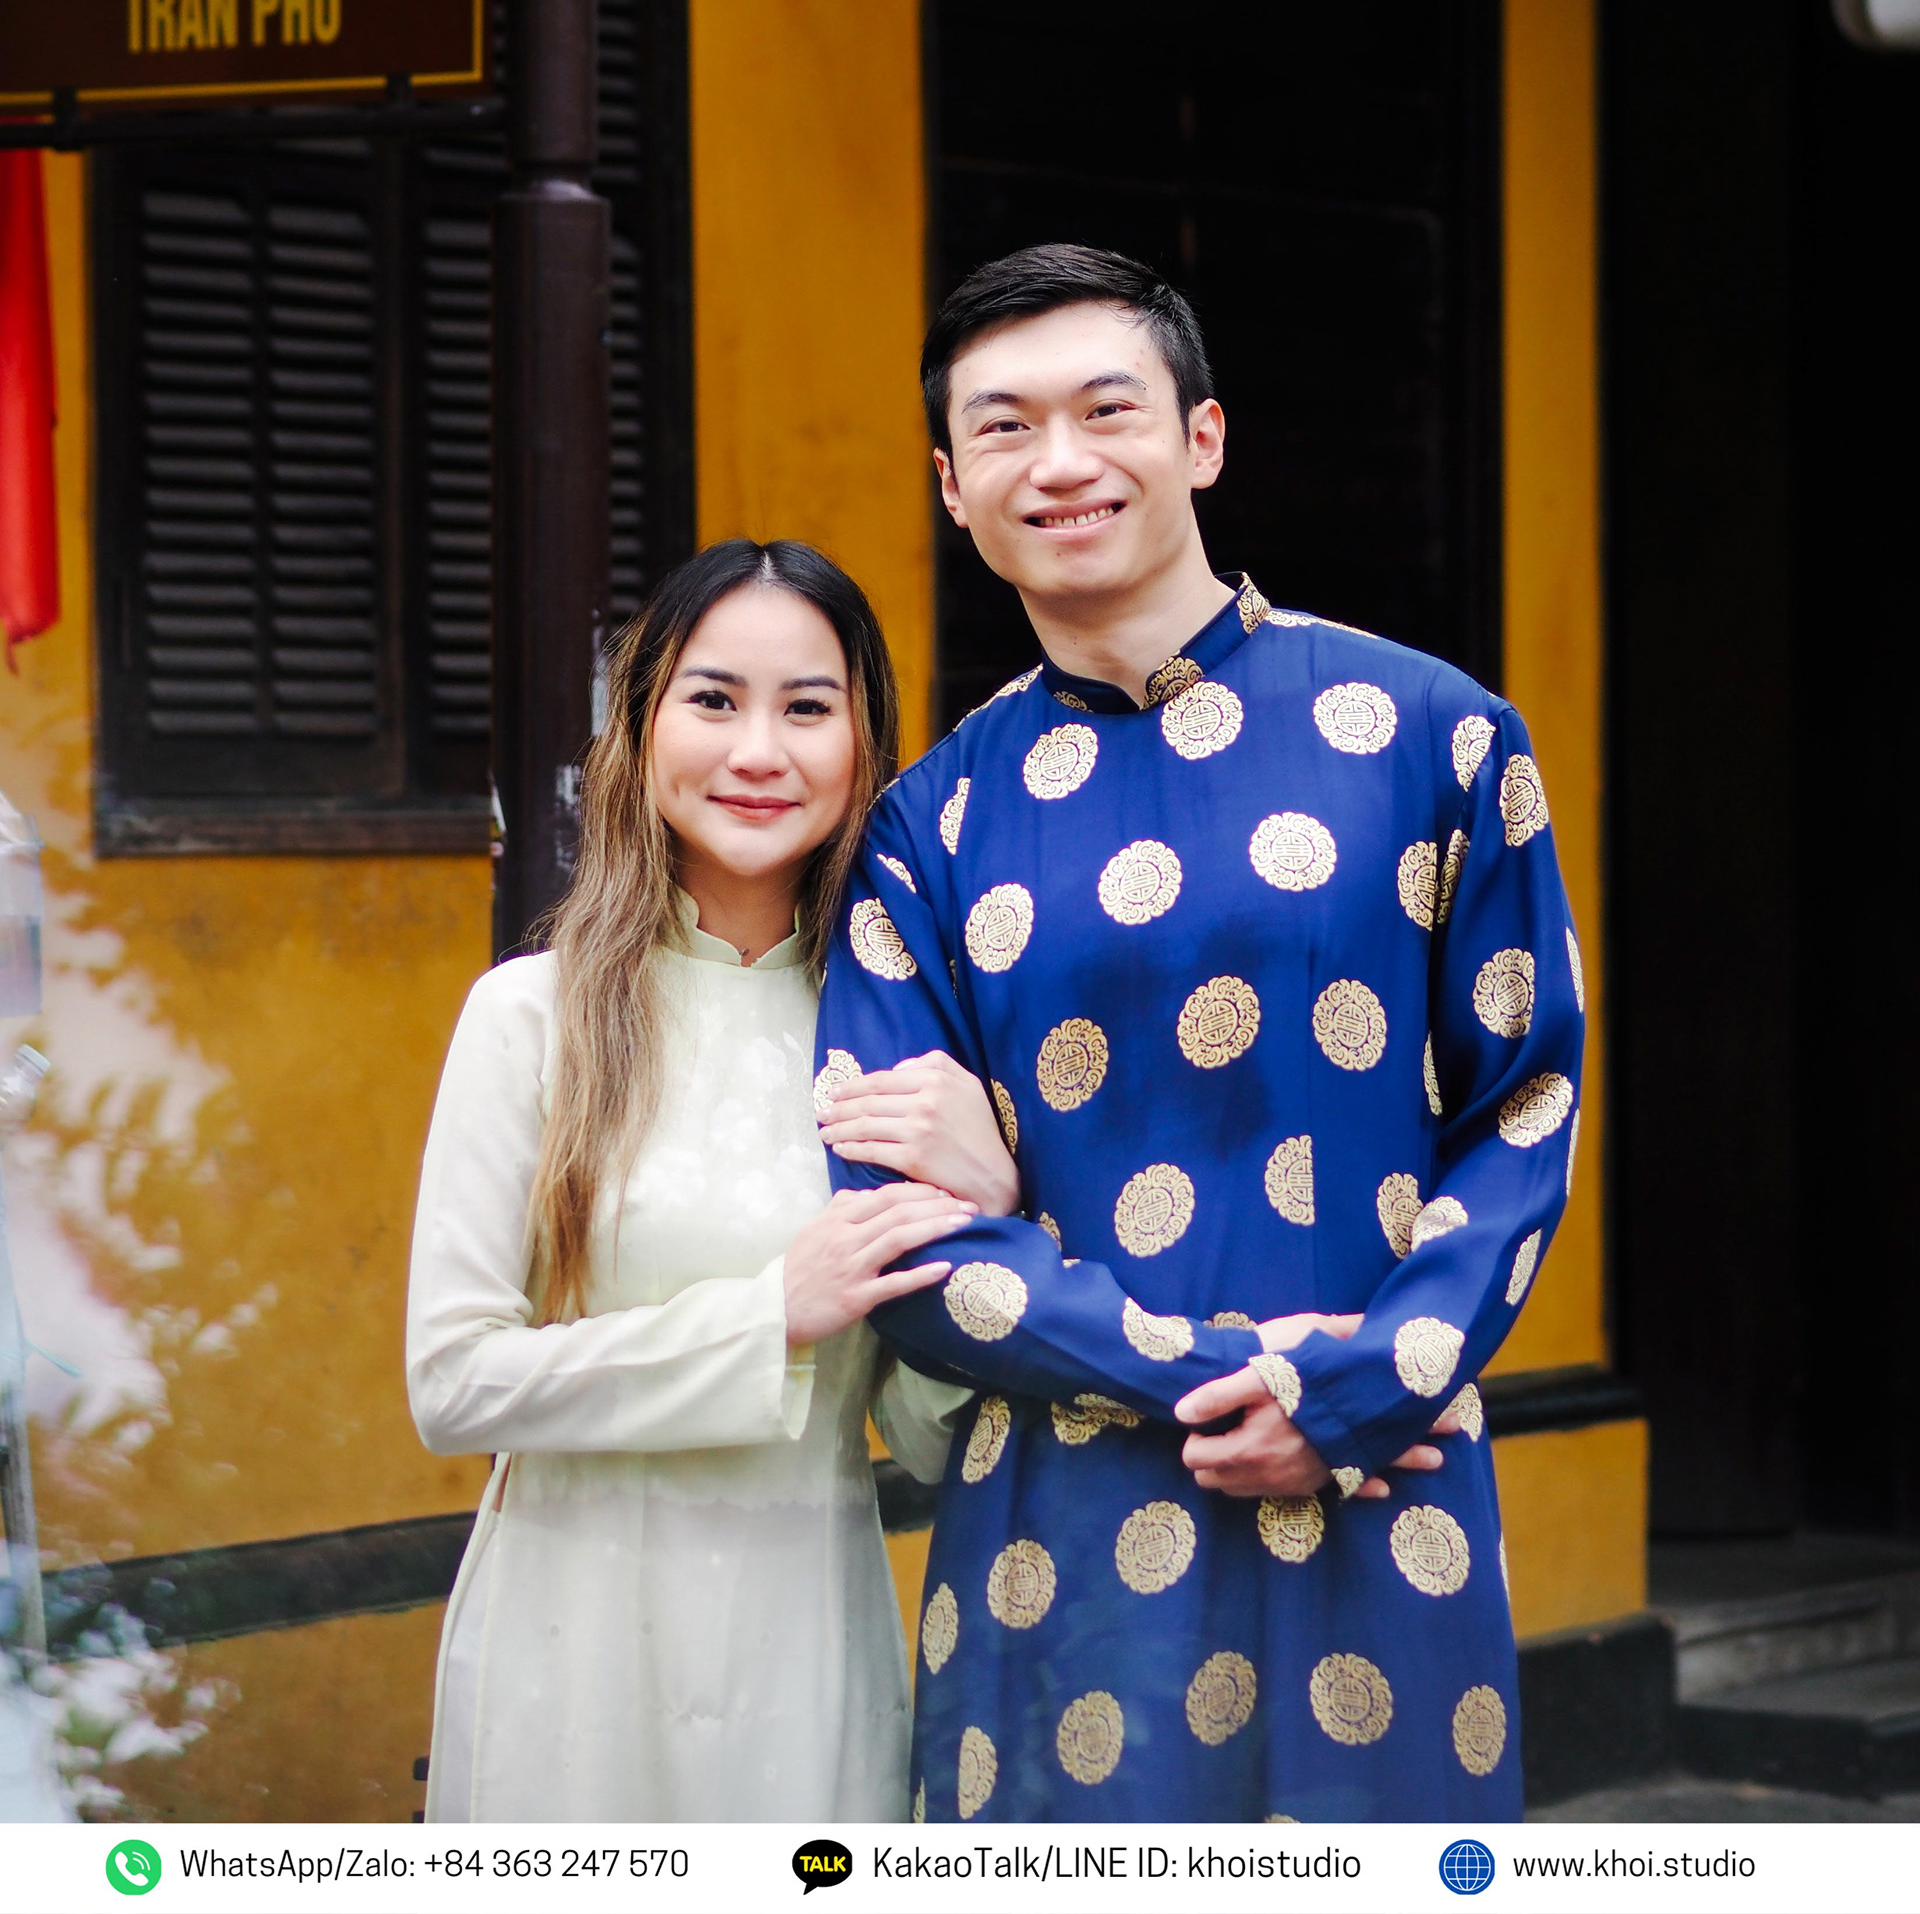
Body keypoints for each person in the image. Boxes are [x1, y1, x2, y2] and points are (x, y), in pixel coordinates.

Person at [815, 245, 1584, 1823]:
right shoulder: (925, 828)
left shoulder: (1434, 734)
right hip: (1065, 1519)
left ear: (1204, 438)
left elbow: (1526, 1101)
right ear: (954, 486)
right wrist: (1228, 1378)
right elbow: (893, 1230)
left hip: (1390, 1477)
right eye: (1008, 428)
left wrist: (1367, 1387)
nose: (1066, 460)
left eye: (1110, 408)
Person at [406, 538, 1021, 1822]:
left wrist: (994, 1223)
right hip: (567, 1652)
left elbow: (920, 1431)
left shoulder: (902, 1047)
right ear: (639, 729)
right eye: (713, 698)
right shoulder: (534, 1017)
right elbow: (454, 1380)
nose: (759, 751)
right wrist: (766, 1314)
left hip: (809, 1641)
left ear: (866, 747)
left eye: (808, 707)